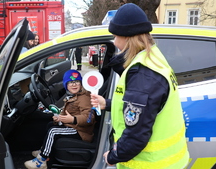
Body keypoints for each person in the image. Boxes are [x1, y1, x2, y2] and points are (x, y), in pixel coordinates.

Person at [90, 3, 189, 169]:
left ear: (128, 37)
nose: (114, 42)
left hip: (150, 165)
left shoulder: (143, 75)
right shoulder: (153, 58)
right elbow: (145, 109)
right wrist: (106, 104)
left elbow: (136, 135)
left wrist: (113, 156)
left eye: (115, 36)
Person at [24, 69, 96, 169]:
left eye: (76, 82)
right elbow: (68, 113)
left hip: (81, 131)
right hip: (74, 126)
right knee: (51, 125)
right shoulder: (73, 96)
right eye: (70, 82)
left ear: (81, 84)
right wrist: (59, 118)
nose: (74, 84)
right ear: (66, 85)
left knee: (53, 131)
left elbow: (89, 118)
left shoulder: (84, 97)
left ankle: (41, 161)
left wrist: (73, 119)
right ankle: (45, 150)